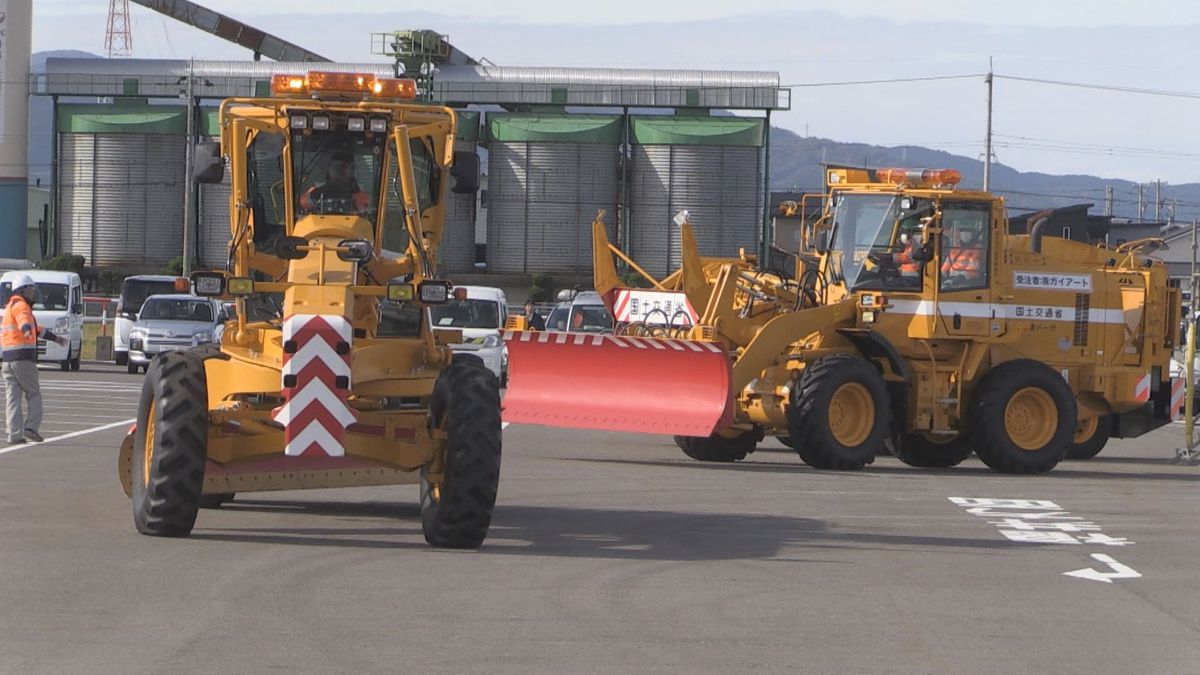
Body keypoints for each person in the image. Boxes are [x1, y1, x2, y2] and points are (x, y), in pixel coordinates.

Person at [2, 274, 67, 445]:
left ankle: (14, 434)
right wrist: (25, 329)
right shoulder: (21, 306)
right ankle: (31, 427)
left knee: (13, 397)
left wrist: (54, 337)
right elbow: (25, 321)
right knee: (33, 393)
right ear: (22, 290)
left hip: (8, 359)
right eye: (31, 289)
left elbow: (35, 328)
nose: (33, 292)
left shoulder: (10, 306)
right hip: (23, 358)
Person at [299, 149, 370, 215]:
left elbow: (366, 210)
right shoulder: (315, 195)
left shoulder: (360, 198)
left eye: (344, 166)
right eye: (336, 167)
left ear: (352, 170)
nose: (340, 170)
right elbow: (301, 205)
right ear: (328, 168)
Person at [941, 217, 984, 283]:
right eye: (962, 230)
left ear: (973, 233)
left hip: (967, 282)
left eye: (968, 230)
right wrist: (941, 275)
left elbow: (973, 269)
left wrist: (959, 279)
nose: (965, 233)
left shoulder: (976, 249)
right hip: (951, 280)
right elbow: (946, 265)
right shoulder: (955, 248)